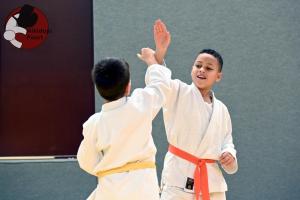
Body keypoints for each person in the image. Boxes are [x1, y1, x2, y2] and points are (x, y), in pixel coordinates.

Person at [77, 29, 172, 199]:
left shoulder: (94, 123)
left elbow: (86, 161)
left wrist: (109, 167)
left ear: (99, 89)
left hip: (110, 189)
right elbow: (161, 86)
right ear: (128, 86)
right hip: (144, 187)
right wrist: (152, 60)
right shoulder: (139, 104)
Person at [153, 20, 238, 200]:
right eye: (198, 65)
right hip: (178, 179)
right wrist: (159, 54)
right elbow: (161, 83)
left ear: (218, 76)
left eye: (209, 68)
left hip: (212, 183)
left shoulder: (221, 110)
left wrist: (229, 155)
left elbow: (227, 141)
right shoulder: (179, 91)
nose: (201, 70)